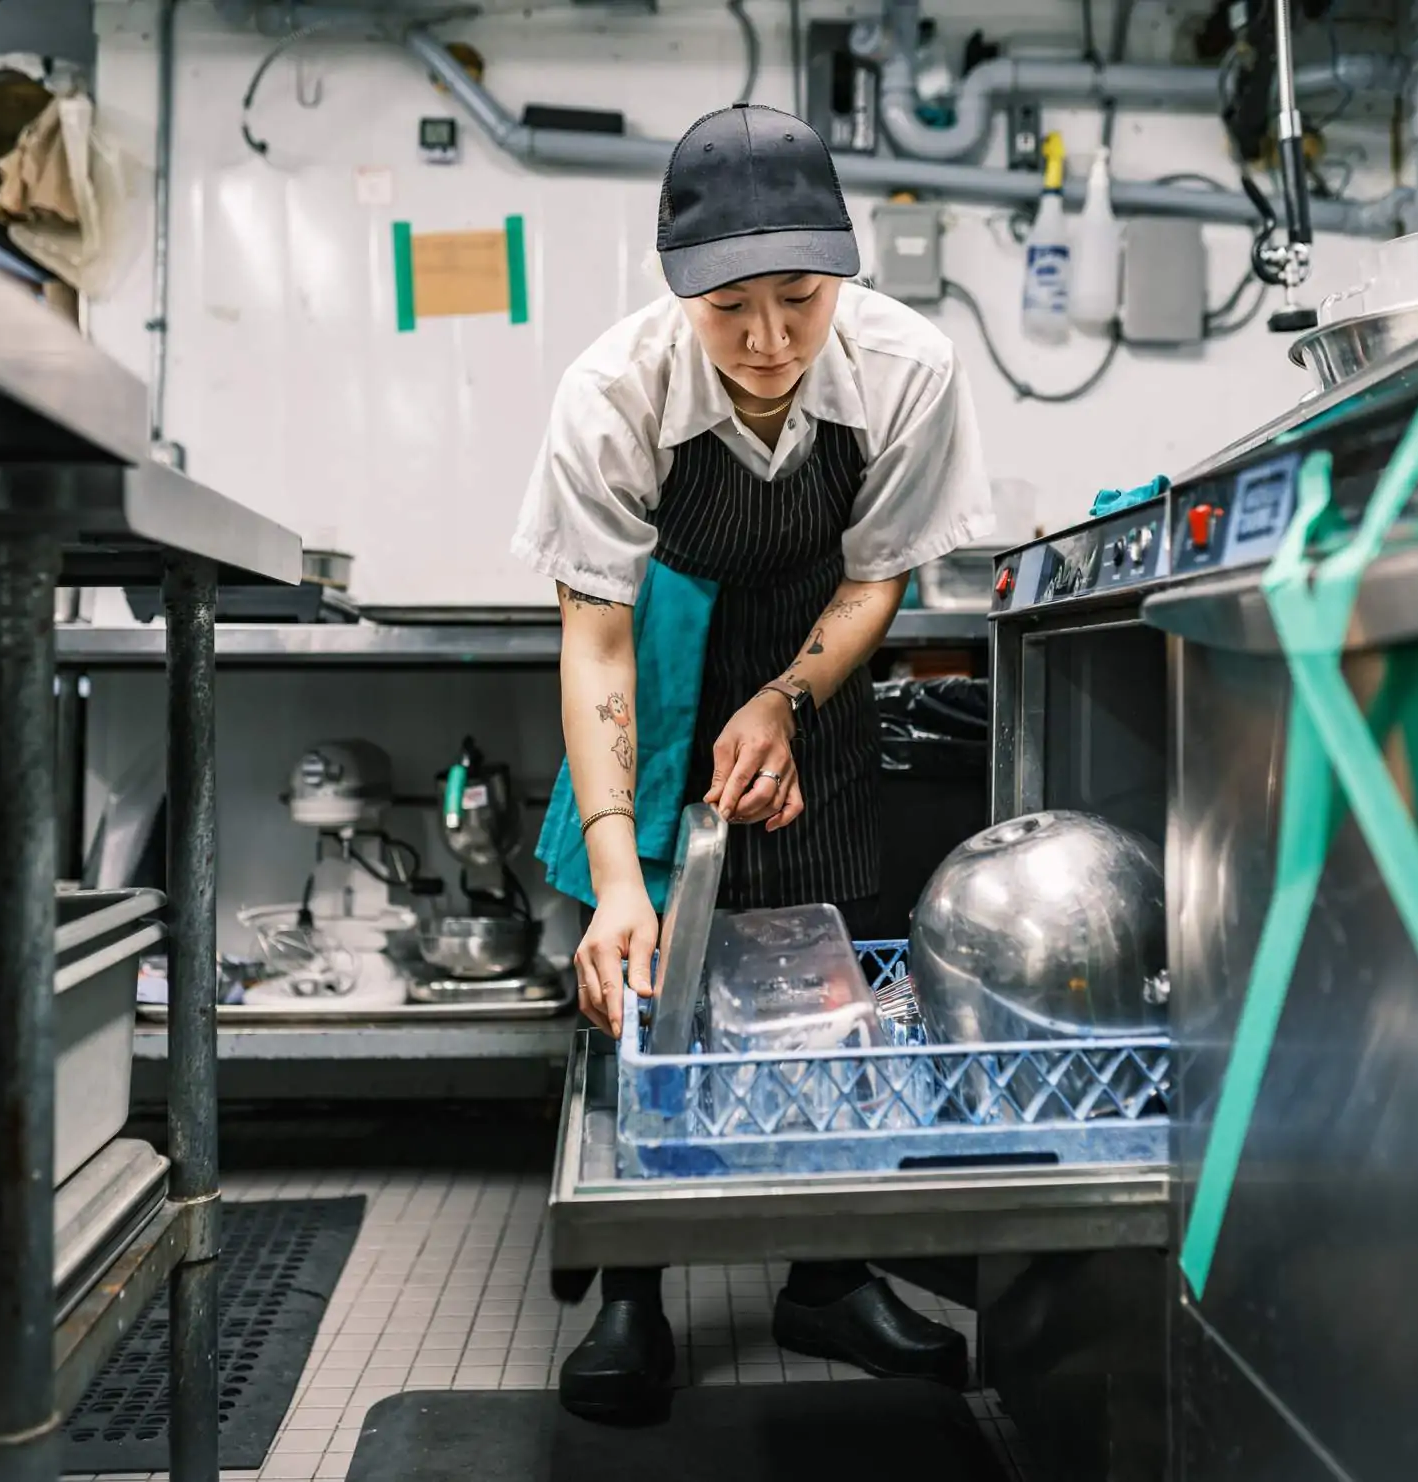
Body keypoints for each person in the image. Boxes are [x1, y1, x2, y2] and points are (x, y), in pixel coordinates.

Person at [513, 102, 992, 1422]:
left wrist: (787, 698)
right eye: (733, 309)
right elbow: (596, 639)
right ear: (680, 295)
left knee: (827, 950)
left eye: (802, 297)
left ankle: (827, 1275)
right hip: (662, 672)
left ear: (841, 268)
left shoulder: (906, 368)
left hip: (811, 671)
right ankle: (630, 1285)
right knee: (644, 969)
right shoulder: (614, 394)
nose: (773, 341)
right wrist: (619, 872)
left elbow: (879, 571)